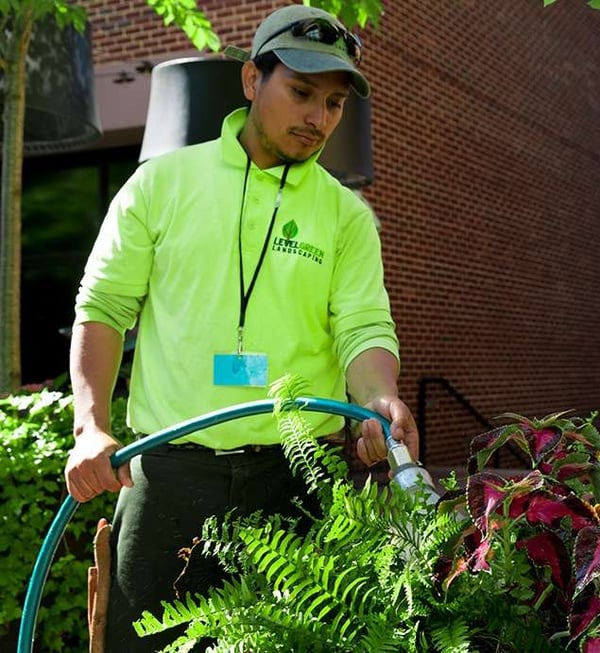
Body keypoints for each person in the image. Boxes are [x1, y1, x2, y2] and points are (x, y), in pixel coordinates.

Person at [63, 5, 418, 651]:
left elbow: (363, 328)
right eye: (302, 92)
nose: (318, 117)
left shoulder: (346, 216)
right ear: (253, 80)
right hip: (167, 472)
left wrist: (377, 399)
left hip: (298, 480)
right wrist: (91, 425)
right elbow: (105, 307)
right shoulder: (160, 184)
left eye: (334, 103)